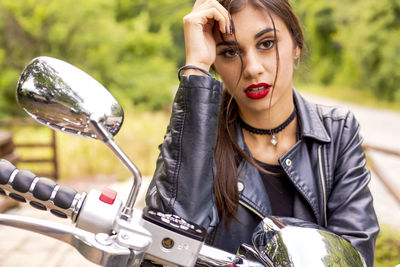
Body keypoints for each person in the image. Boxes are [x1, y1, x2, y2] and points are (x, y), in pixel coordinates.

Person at [146, 0, 379, 265]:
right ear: (215, 64)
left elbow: (354, 255)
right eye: (230, 52)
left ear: (296, 46)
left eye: (266, 43)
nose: (252, 68)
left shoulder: (337, 131)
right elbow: (165, 249)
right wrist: (196, 69)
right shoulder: (198, 133)